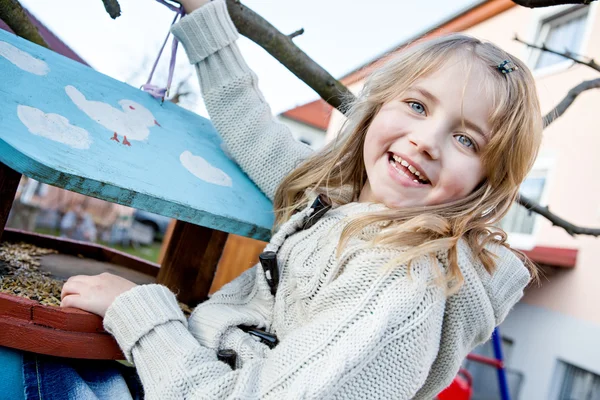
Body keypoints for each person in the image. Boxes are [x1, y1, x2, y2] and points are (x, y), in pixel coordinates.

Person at [0, 0, 543, 398]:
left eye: (467, 139)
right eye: (418, 106)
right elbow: (256, 131)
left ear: (485, 183)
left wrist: (138, 309)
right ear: (377, 107)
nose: (427, 140)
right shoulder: (340, 206)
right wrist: (205, 17)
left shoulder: (398, 288)